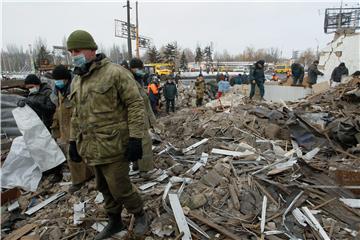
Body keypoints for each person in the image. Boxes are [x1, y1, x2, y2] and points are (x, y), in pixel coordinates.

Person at [66, 30, 148, 239]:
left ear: (92, 50)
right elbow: (76, 114)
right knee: (103, 187)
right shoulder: (77, 80)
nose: (74, 54)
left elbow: (135, 105)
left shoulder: (115, 73)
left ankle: (139, 214)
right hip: (91, 148)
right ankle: (115, 221)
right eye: (71, 51)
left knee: (120, 187)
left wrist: (135, 138)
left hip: (114, 145)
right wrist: (74, 142)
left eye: (78, 50)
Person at [50, 65, 94, 193]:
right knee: (72, 156)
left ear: (66, 79)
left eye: (59, 80)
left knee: (86, 152)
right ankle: (78, 180)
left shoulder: (75, 87)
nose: (57, 82)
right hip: (66, 128)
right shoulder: (58, 90)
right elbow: (58, 109)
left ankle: (92, 175)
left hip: (79, 126)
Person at [17, 74, 61, 182]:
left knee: (51, 149)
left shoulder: (47, 92)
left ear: (37, 84)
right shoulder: (31, 95)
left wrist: (35, 104)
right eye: (28, 88)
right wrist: (22, 104)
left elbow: (51, 109)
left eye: (31, 86)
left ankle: (57, 172)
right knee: (40, 150)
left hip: (48, 124)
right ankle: (47, 170)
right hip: (36, 126)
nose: (30, 89)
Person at [128, 58, 157, 179]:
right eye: (139, 68)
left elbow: (145, 102)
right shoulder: (129, 81)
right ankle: (144, 169)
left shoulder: (137, 80)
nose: (141, 71)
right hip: (136, 116)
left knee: (138, 141)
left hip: (141, 116)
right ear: (133, 68)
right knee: (144, 142)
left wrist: (152, 121)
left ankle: (136, 164)